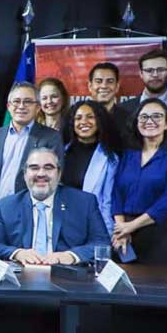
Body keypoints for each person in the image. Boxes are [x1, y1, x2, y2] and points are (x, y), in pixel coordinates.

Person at [0, 82, 63, 248]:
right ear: (8, 106)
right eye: (16, 101)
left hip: (31, 219)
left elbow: (53, 182)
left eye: (28, 102)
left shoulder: (51, 137)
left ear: (38, 108)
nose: (21, 106)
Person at [0, 146, 110, 265]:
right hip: (23, 278)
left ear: (59, 173)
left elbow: (102, 244)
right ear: (25, 174)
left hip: (67, 278)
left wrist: (71, 256)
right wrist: (17, 253)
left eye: (48, 168)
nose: (41, 174)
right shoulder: (6, 206)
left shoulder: (84, 202)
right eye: (34, 168)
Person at [111, 99, 167, 264]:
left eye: (157, 116)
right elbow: (116, 193)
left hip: (163, 235)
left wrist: (132, 226)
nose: (149, 121)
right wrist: (122, 229)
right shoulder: (128, 155)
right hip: (126, 235)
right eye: (144, 117)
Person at [60, 100, 122, 233]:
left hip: (92, 226)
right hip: (60, 224)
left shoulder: (110, 158)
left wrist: (108, 234)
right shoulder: (60, 153)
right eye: (78, 118)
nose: (84, 122)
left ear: (99, 121)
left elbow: (107, 202)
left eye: (90, 117)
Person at [115, 48, 167, 132]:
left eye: (160, 70)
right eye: (149, 70)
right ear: (141, 73)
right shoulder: (122, 110)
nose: (155, 75)